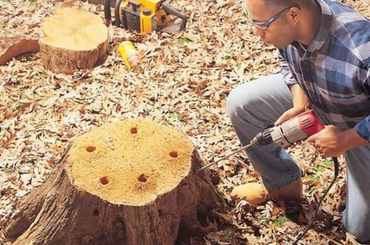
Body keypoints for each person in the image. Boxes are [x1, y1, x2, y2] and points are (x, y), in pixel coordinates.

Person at [226, 0, 370, 243]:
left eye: (262, 25)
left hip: (361, 128)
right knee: (242, 104)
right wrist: (299, 100)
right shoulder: (288, 29)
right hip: (321, 97)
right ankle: (283, 186)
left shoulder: (360, 49)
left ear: (293, 14)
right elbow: (287, 63)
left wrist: (346, 139)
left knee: (359, 230)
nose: (256, 33)